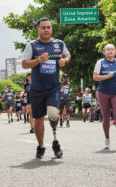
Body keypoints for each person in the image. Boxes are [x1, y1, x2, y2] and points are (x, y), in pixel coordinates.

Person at [22, 17, 71, 158]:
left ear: (51, 29)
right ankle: (41, 145)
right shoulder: (32, 45)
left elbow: (68, 56)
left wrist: (64, 61)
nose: (46, 30)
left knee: (53, 113)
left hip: (53, 87)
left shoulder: (59, 44)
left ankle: (55, 142)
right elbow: (24, 64)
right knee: (38, 119)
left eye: (48, 27)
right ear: (38, 30)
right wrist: (38, 60)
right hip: (37, 88)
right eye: (43, 27)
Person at [93, 44, 116, 149]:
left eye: (112, 49)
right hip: (103, 92)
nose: (110, 51)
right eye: (108, 49)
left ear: (115, 51)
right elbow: (95, 77)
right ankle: (107, 141)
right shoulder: (100, 62)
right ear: (104, 52)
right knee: (106, 116)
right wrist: (106, 76)